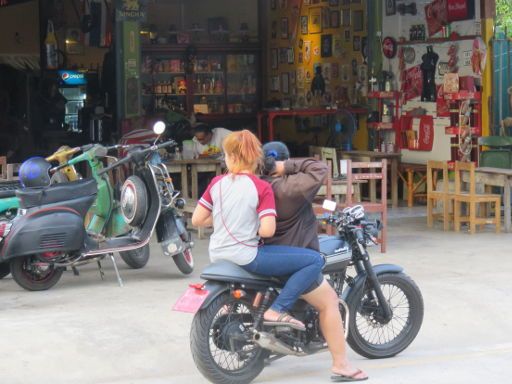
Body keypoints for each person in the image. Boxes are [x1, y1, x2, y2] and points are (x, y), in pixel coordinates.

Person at [192, 130, 324, 329]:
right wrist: (249, 225)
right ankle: (277, 309)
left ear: (233, 157)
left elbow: (198, 220)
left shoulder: (216, 183)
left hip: (218, 254)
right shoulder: (261, 187)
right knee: (315, 260)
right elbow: (267, 231)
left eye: (225, 155)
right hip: (246, 257)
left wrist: (226, 219)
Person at [261, 141, 368, 382]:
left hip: (263, 255)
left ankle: (268, 347)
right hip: (292, 258)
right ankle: (341, 365)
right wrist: (286, 166)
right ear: (282, 162)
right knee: (329, 301)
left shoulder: (258, 185)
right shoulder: (290, 187)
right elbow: (319, 168)